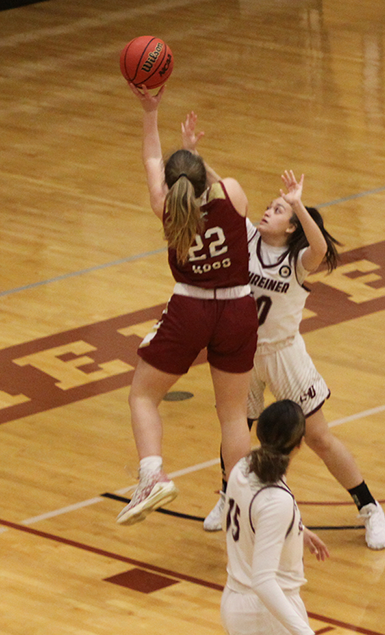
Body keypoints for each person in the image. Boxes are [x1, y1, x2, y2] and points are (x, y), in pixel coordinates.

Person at [202, 170, 385, 550]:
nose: (267, 212)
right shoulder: (249, 236)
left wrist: (297, 204)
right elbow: (221, 193)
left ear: (291, 227)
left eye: (277, 210)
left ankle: (369, 507)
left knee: (318, 436)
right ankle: (227, 495)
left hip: (284, 352)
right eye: (270, 207)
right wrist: (195, 155)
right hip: (243, 352)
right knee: (236, 429)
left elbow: (320, 248)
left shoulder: (298, 258)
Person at [118, 83, 259, 525]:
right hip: (238, 309)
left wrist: (149, 112)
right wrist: (193, 155)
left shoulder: (165, 208)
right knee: (233, 414)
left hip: (190, 309)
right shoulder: (231, 194)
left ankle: (152, 474)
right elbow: (213, 182)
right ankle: (240, 507)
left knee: (142, 395)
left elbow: (149, 161)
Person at [221, 400, 330, 635]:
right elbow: (263, 581)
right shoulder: (276, 500)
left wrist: (295, 530)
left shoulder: (242, 468)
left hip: (237, 599)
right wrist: (304, 632)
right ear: (300, 443)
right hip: (264, 613)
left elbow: (246, 515)